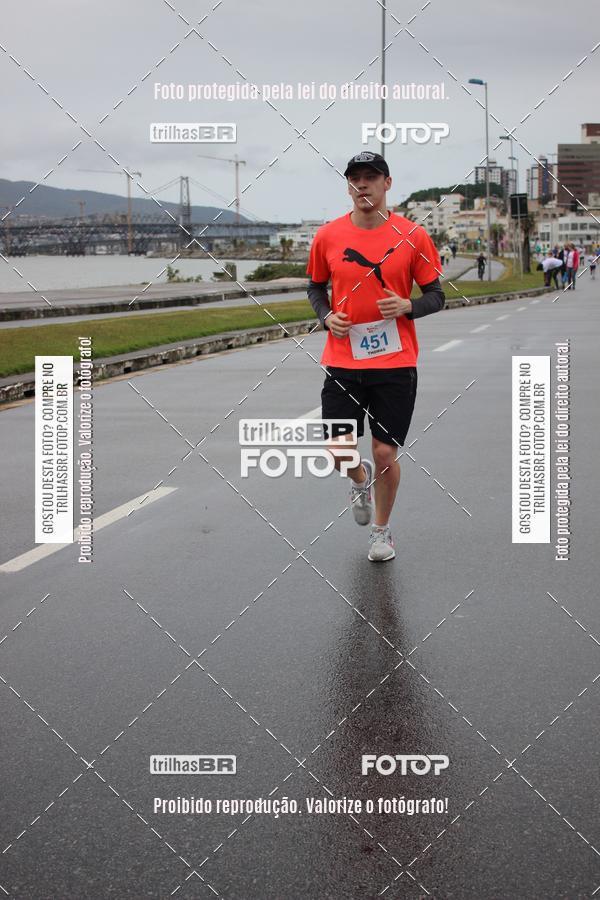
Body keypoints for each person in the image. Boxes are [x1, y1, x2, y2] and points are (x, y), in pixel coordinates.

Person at [307, 151, 445, 561]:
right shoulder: (328, 236)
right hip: (343, 362)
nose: (362, 185)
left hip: (394, 363)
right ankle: (359, 478)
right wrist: (326, 315)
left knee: (385, 451)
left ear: (387, 183)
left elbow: (436, 296)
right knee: (340, 452)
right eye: (355, 179)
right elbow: (315, 288)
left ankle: (381, 533)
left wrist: (408, 306)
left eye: (371, 177)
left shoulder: (413, 236)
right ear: (348, 186)